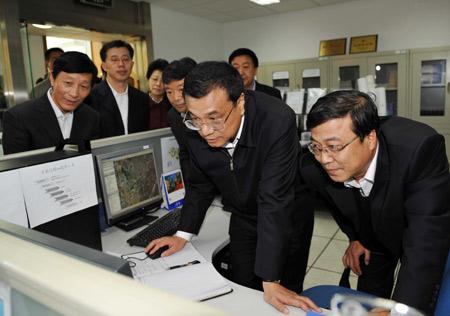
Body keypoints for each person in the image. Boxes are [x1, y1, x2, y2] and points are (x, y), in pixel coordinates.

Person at [146, 61, 318, 314]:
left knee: (283, 292)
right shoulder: (185, 120)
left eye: (214, 119)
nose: (204, 131)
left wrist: (270, 279)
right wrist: (183, 234)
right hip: (242, 214)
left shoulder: (276, 118)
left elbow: (274, 199)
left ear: (240, 103)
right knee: (240, 284)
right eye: (196, 119)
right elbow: (200, 182)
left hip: (286, 212)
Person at [298, 90, 450, 315]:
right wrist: (356, 237)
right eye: (317, 146)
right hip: (374, 237)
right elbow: (339, 207)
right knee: (370, 297)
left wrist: (400, 310)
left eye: (334, 146)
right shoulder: (313, 168)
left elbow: (424, 248)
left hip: (421, 227)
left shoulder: (420, 149)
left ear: (369, 138)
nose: (324, 159)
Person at [2, 51, 100, 155]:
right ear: (52, 79)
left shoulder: (91, 117)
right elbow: (17, 167)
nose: (74, 93)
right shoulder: (18, 117)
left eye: (83, 86)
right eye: (68, 83)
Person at [88, 40, 149, 138]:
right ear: (104, 66)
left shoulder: (142, 98)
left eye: (125, 59)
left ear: (132, 64)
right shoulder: (91, 97)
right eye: (114, 60)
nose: (121, 64)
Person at [162, 58, 197, 185]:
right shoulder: (173, 116)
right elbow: (185, 152)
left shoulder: (212, 111)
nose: (176, 98)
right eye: (169, 92)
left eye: (181, 89)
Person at [146, 58, 171, 130]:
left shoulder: (172, 104)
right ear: (148, 79)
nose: (158, 84)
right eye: (155, 79)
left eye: (163, 81)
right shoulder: (140, 103)